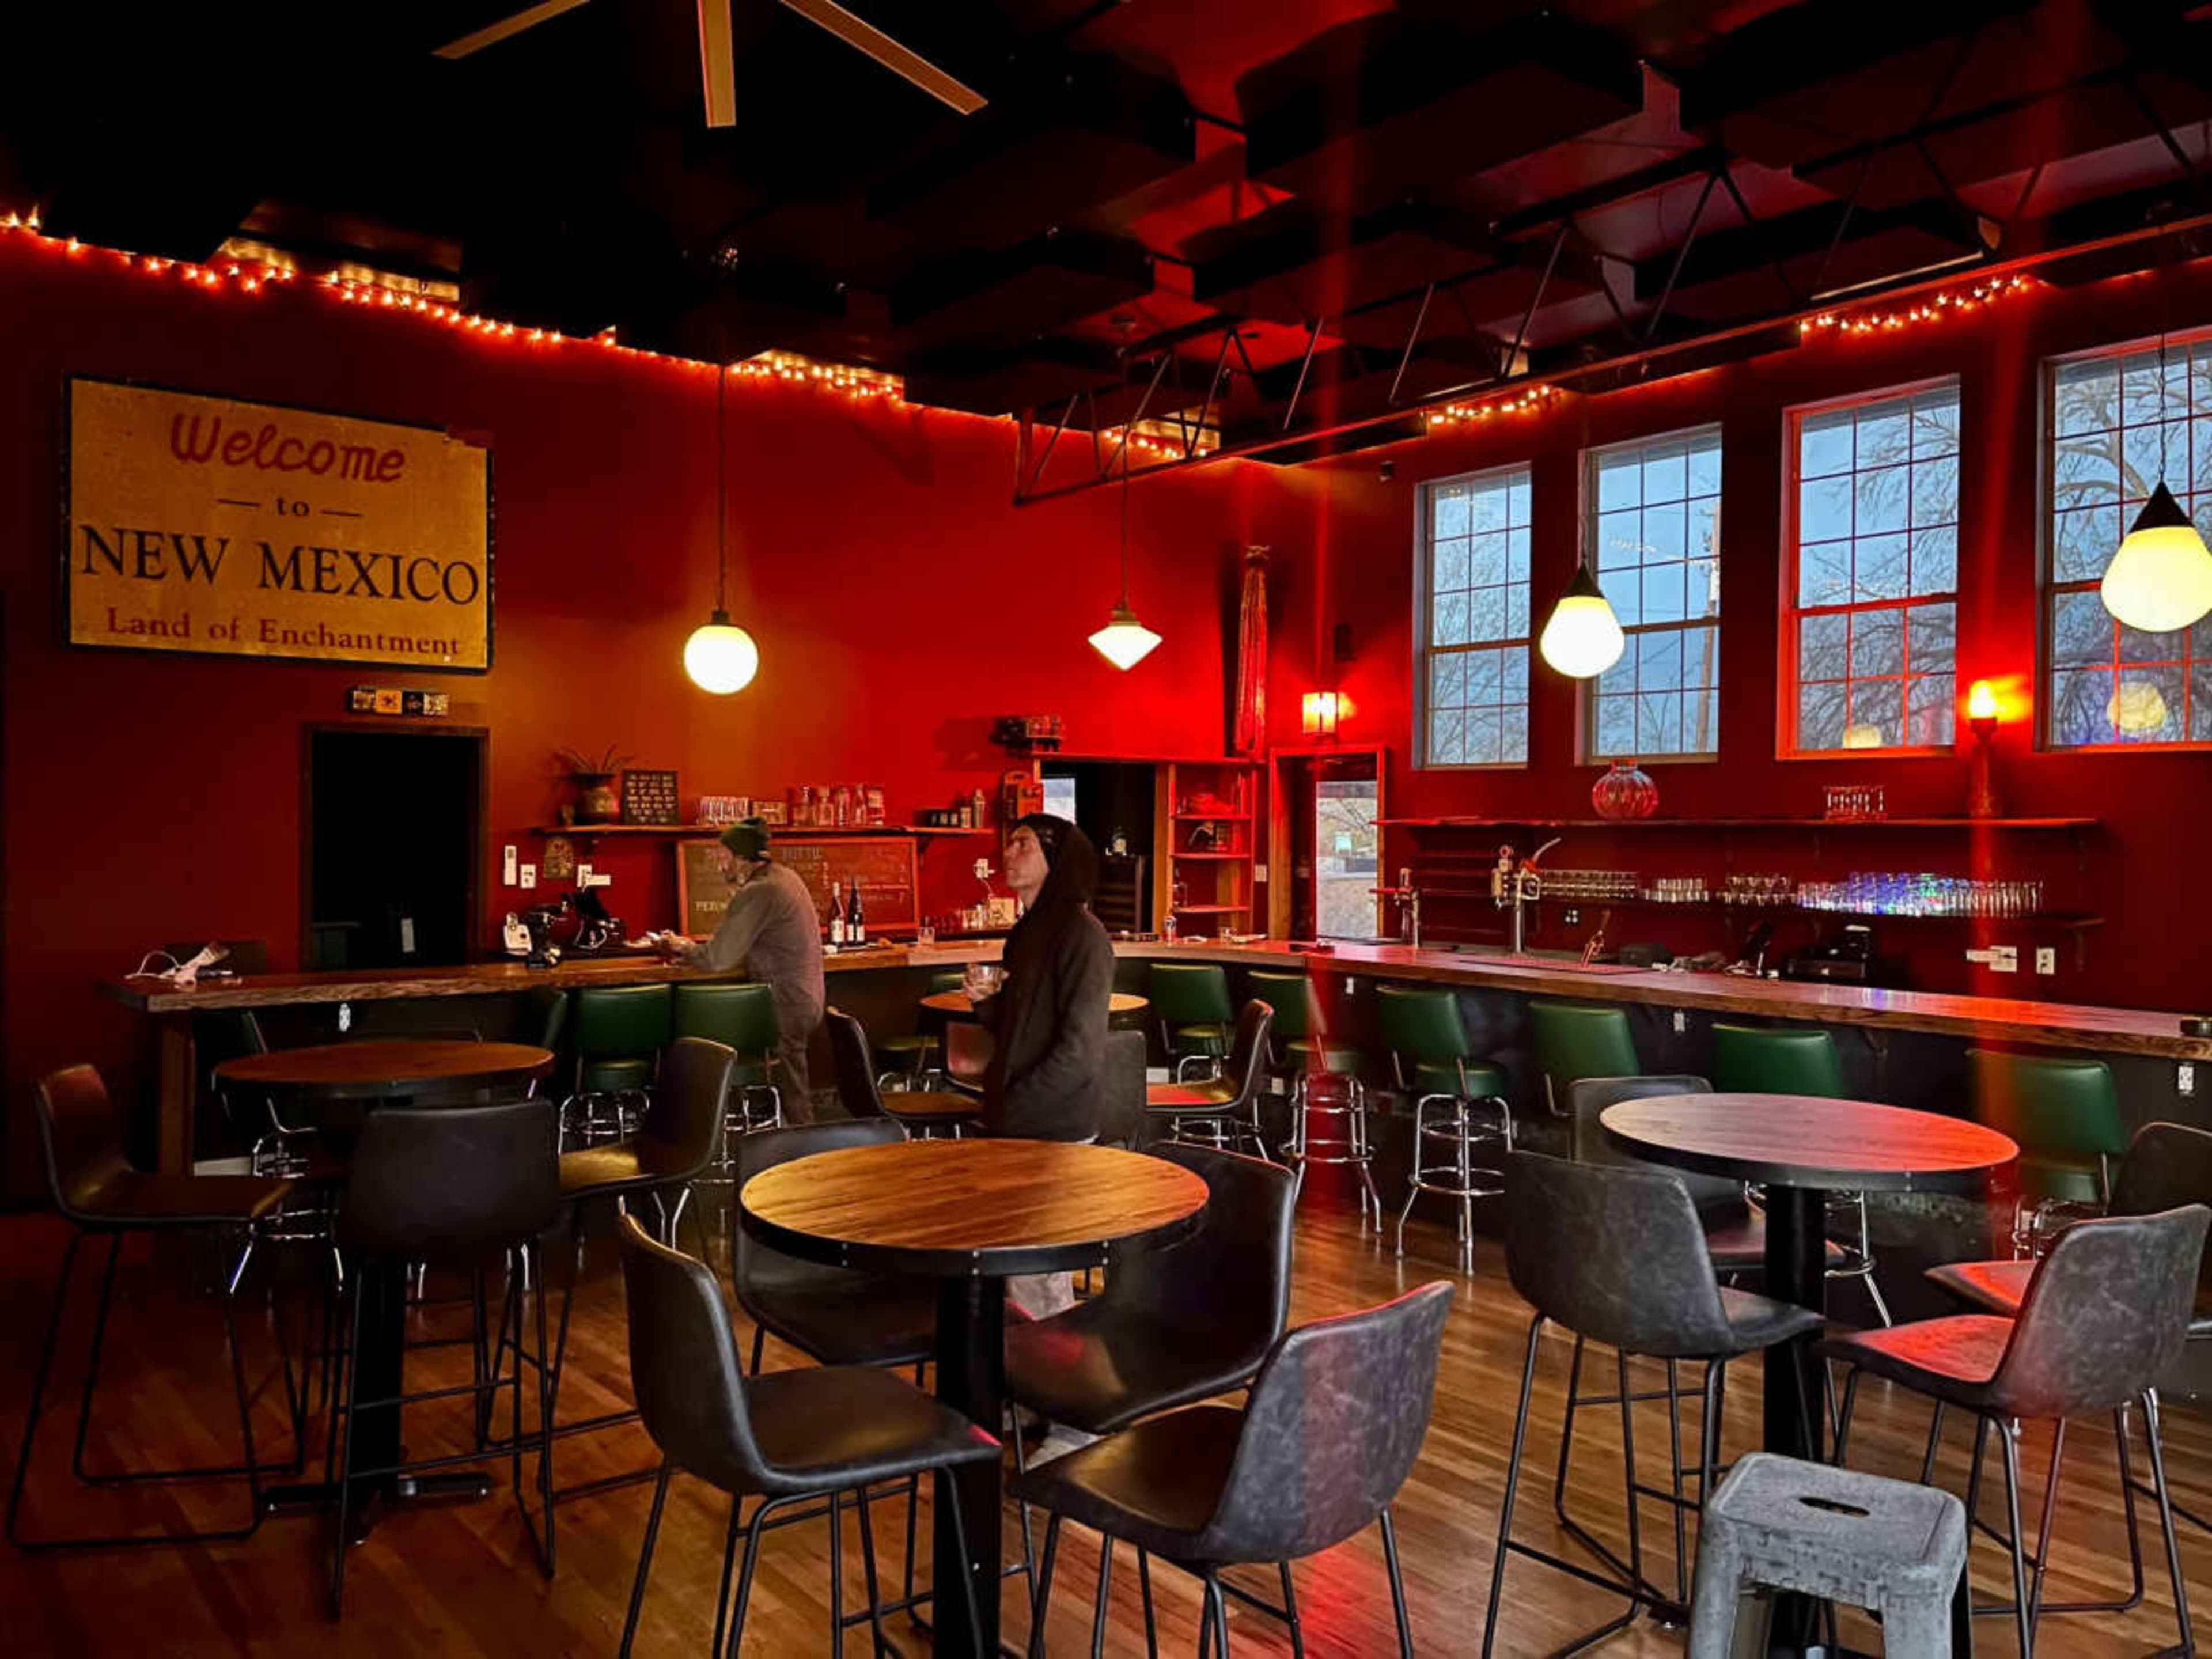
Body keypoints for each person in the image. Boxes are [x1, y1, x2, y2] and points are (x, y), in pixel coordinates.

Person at [658, 817, 824, 1121]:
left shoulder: (761, 890)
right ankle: (795, 1142)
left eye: (723, 855)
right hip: (803, 997)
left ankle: (798, 1148)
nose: (720, 863)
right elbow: (738, 947)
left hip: (783, 1002)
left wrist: (681, 947)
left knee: (792, 1089)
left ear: (742, 857)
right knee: (792, 1083)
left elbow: (717, 959)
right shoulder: (785, 877)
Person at [972, 813, 1113, 1142]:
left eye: (1024, 844)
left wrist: (1015, 1105)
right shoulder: (1023, 934)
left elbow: (1080, 1050)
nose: (1008, 853)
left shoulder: (1084, 935)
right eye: (1009, 844)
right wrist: (986, 1001)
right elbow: (1014, 1029)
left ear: (1055, 858)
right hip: (1014, 1118)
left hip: (1058, 1126)